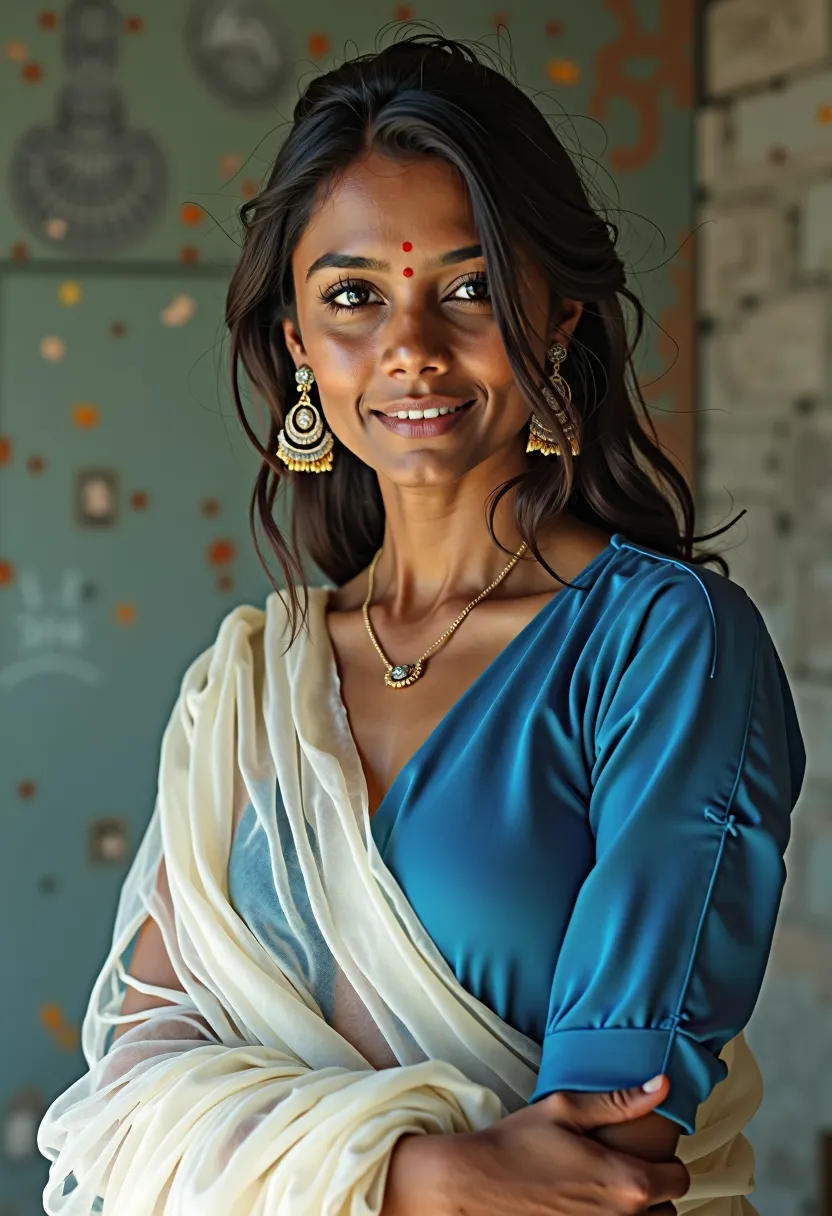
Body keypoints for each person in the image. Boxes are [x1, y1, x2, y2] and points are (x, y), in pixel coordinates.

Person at [38, 33, 805, 1216]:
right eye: (353, 295)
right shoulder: (254, 683)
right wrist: (416, 1172)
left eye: (469, 287)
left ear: (555, 317)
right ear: (296, 341)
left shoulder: (661, 647)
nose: (410, 347)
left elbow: (607, 1151)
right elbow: (127, 1086)